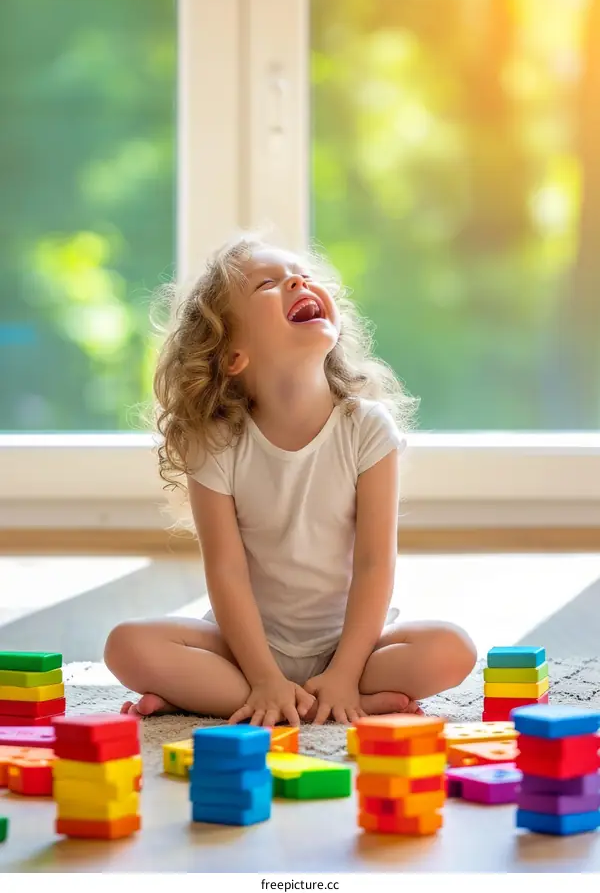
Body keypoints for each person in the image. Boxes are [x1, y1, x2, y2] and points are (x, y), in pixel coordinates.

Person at [104, 233, 476, 726]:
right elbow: (226, 573)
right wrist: (261, 673)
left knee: (453, 650)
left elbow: (373, 565)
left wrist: (345, 670)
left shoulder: (366, 427)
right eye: (267, 284)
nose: (298, 281)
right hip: (246, 649)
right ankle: (285, 697)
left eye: (301, 275)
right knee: (126, 646)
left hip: (353, 648)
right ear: (233, 355)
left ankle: (291, 696)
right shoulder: (214, 444)